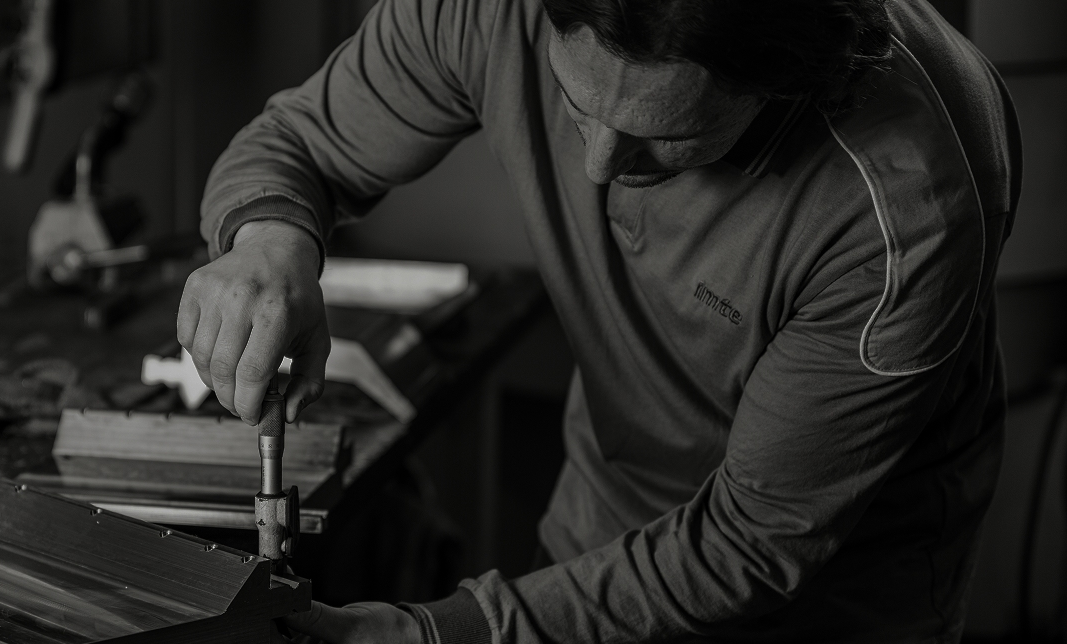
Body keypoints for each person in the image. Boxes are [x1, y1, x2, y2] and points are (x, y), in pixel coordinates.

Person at [176, 0, 1021, 641]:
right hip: (599, 532)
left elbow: (752, 546)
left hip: (826, 587)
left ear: (783, 84)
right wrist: (267, 241)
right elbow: (302, 142)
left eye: (672, 139)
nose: (599, 166)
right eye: (578, 107)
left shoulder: (901, 212)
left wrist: (435, 631)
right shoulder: (493, 9)